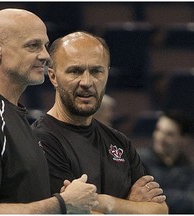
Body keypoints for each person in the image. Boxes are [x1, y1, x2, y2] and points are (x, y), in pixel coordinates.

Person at [0, 8, 99, 214]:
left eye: (45, 46)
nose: (45, 56)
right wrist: (61, 203)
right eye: (33, 46)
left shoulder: (8, 112)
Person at [32, 31, 169, 214]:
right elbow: (73, 212)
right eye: (75, 71)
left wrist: (105, 203)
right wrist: (131, 206)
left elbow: (160, 210)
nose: (87, 82)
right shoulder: (40, 140)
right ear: (53, 76)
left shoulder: (120, 142)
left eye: (96, 71)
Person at [138, 110, 194, 213]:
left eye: (169, 134)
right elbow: (140, 198)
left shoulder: (190, 168)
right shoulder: (138, 160)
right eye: (158, 130)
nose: (160, 137)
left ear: (183, 140)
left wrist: (160, 195)